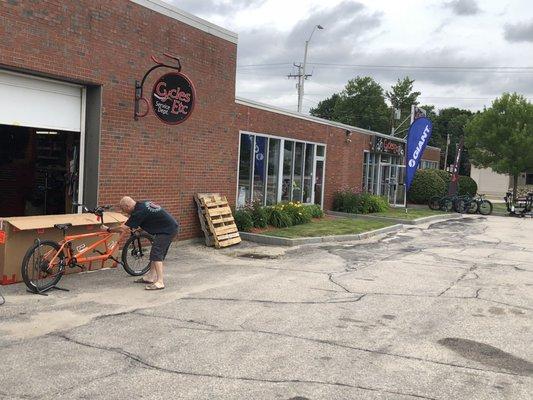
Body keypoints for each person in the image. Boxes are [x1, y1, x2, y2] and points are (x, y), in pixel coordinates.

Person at [103, 196, 178, 290]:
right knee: (156, 253)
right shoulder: (142, 205)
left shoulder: (138, 212)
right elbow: (151, 218)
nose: (124, 212)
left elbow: (123, 228)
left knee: (157, 253)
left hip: (167, 230)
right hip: (168, 227)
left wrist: (109, 229)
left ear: (127, 206)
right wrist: (141, 228)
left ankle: (160, 282)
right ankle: (151, 277)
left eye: (123, 209)